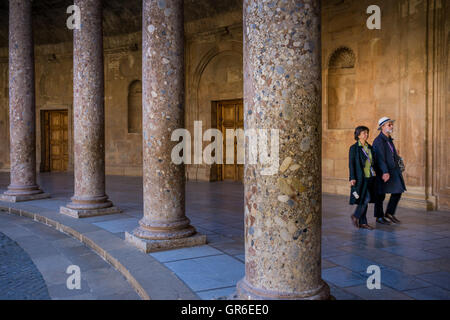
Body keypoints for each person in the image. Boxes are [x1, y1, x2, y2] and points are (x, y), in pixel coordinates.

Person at [372, 117, 406, 224]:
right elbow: (380, 158)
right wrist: (385, 172)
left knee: (398, 191)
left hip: (393, 170)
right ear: (382, 127)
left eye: (391, 124)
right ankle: (379, 217)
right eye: (389, 125)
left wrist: (395, 155)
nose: (391, 126)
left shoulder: (389, 139)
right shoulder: (378, 141)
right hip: (384, 171)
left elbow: (389, 154)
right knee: (380, 195)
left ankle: (389, 213)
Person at [348, 126, 377, 230]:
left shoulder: (370, 147)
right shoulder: (353, 148)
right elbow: (351, 164)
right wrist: (352, 177)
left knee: (364, 199)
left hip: (370, 177)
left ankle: (363, 222)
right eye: (364, 133)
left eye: (367, 133)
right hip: (360, 178)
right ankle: (356, 216)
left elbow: (373, 161)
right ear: (358, 135)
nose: (366, 135)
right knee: (365, 198)